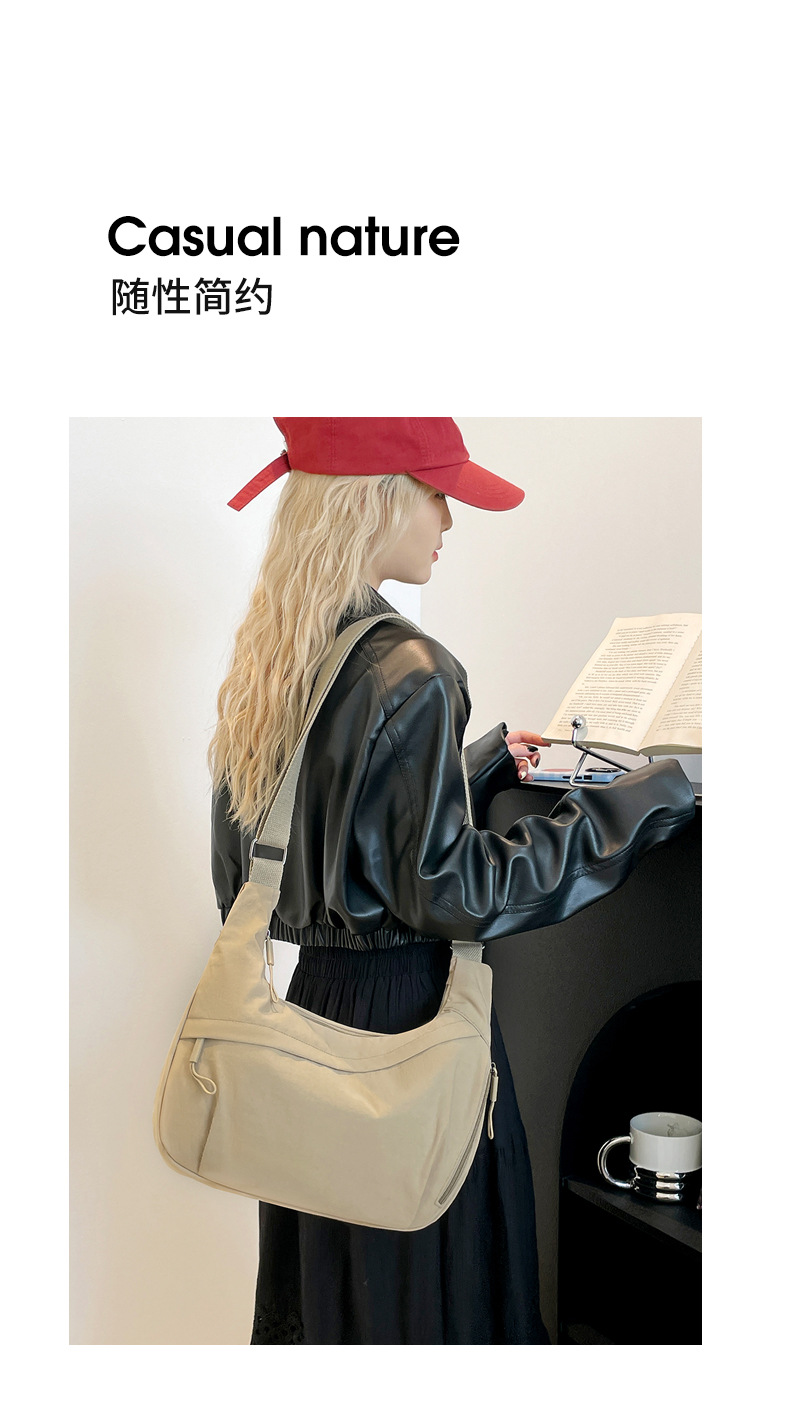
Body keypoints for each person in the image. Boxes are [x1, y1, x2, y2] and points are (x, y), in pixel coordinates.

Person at [208, 418, 697, 1346]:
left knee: (336, 1303)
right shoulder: (414, 667)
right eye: (436, 493)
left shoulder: (276, 657)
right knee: (432, 1302)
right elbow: (457, 894)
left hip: (316, 1015)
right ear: (377, 497)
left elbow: (265, 868)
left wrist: (477, 765)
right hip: (414, 1026)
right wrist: (642, 800)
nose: (449, 517)